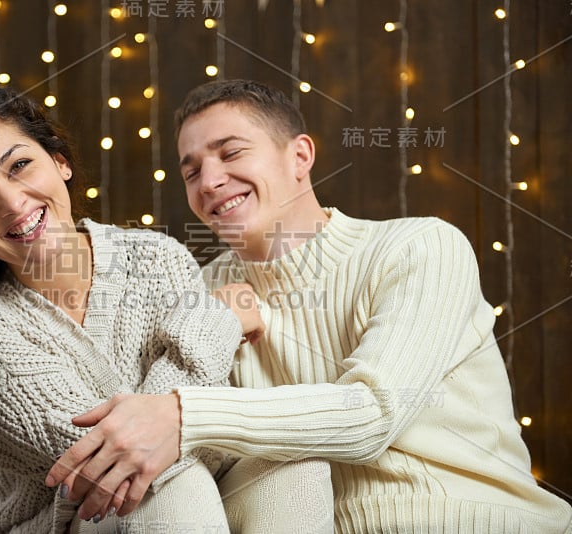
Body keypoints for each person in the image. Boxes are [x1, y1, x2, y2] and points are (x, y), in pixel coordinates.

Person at [47, 79, 572, 532]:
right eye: (191, 172)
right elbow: (193, 459)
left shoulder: (419, 248)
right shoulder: (200, 296)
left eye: (231, 154)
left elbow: (373, 412)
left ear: (300, 157)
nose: (209, 182)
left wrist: (185, 414)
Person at [0, 85, 254, 533]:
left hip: (183, 497)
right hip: (66, 522)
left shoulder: (158, 257)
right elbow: (116, 458)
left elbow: (200, 433)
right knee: (175, 483)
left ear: (60, 162)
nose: (11, 202)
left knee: (290, 469)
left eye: (19, 166)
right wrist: (221, 319)